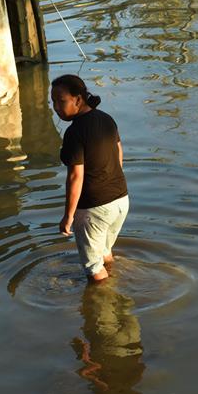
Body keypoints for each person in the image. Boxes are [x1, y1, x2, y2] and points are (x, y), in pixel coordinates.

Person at [51, 74, 129, 282]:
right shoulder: (106, 119)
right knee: (104, 252)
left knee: (93, 270)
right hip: (120, 200)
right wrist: (110, 182)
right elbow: (119, 153)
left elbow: (76, 176)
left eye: (61, 100)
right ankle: (115, 281)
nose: (56, 107)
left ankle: (102, 306)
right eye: (53, 102)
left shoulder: (75, 132)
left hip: (94, 208)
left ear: (78, 99)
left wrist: (68, 216)